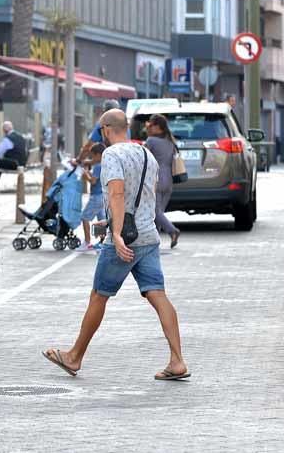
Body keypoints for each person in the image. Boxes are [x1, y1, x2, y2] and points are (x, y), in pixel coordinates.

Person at [43, 108, 189, 381]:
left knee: (99, 295)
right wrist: (111, 223)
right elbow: (145, 197)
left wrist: (118, 233)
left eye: (101, 130)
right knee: (158, 294)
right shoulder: (146, 153)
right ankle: (178, 360)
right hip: (148, 235)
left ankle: (74, 357)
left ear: (107, 130)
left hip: (125, 240)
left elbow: (118, 192)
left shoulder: (111, 155)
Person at [144, 114, 181, 248]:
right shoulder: (170, 141)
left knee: (155, 212)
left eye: (151, 125)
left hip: (156, 180)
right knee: (159, 213)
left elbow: (144, 159)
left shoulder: (151, 141)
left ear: (158, 127)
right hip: (168, 181)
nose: (149, 127)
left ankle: (173, 231)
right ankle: (155, 241)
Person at [80, 143, 106, 250]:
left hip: (96, 196)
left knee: (85, 217)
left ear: (99, 155)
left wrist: (85, 173)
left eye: (93, 156)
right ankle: (102, 242)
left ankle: (87, 242)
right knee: (101, 220)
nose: (92, 158)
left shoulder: (98, 166)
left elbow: (93, 181)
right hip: (103, 196)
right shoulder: (104, 164)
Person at [0, 121, 28, 186]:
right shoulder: (21, 137)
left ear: (4, 130)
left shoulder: (9, 139)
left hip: (14, 164)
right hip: (22, 163)